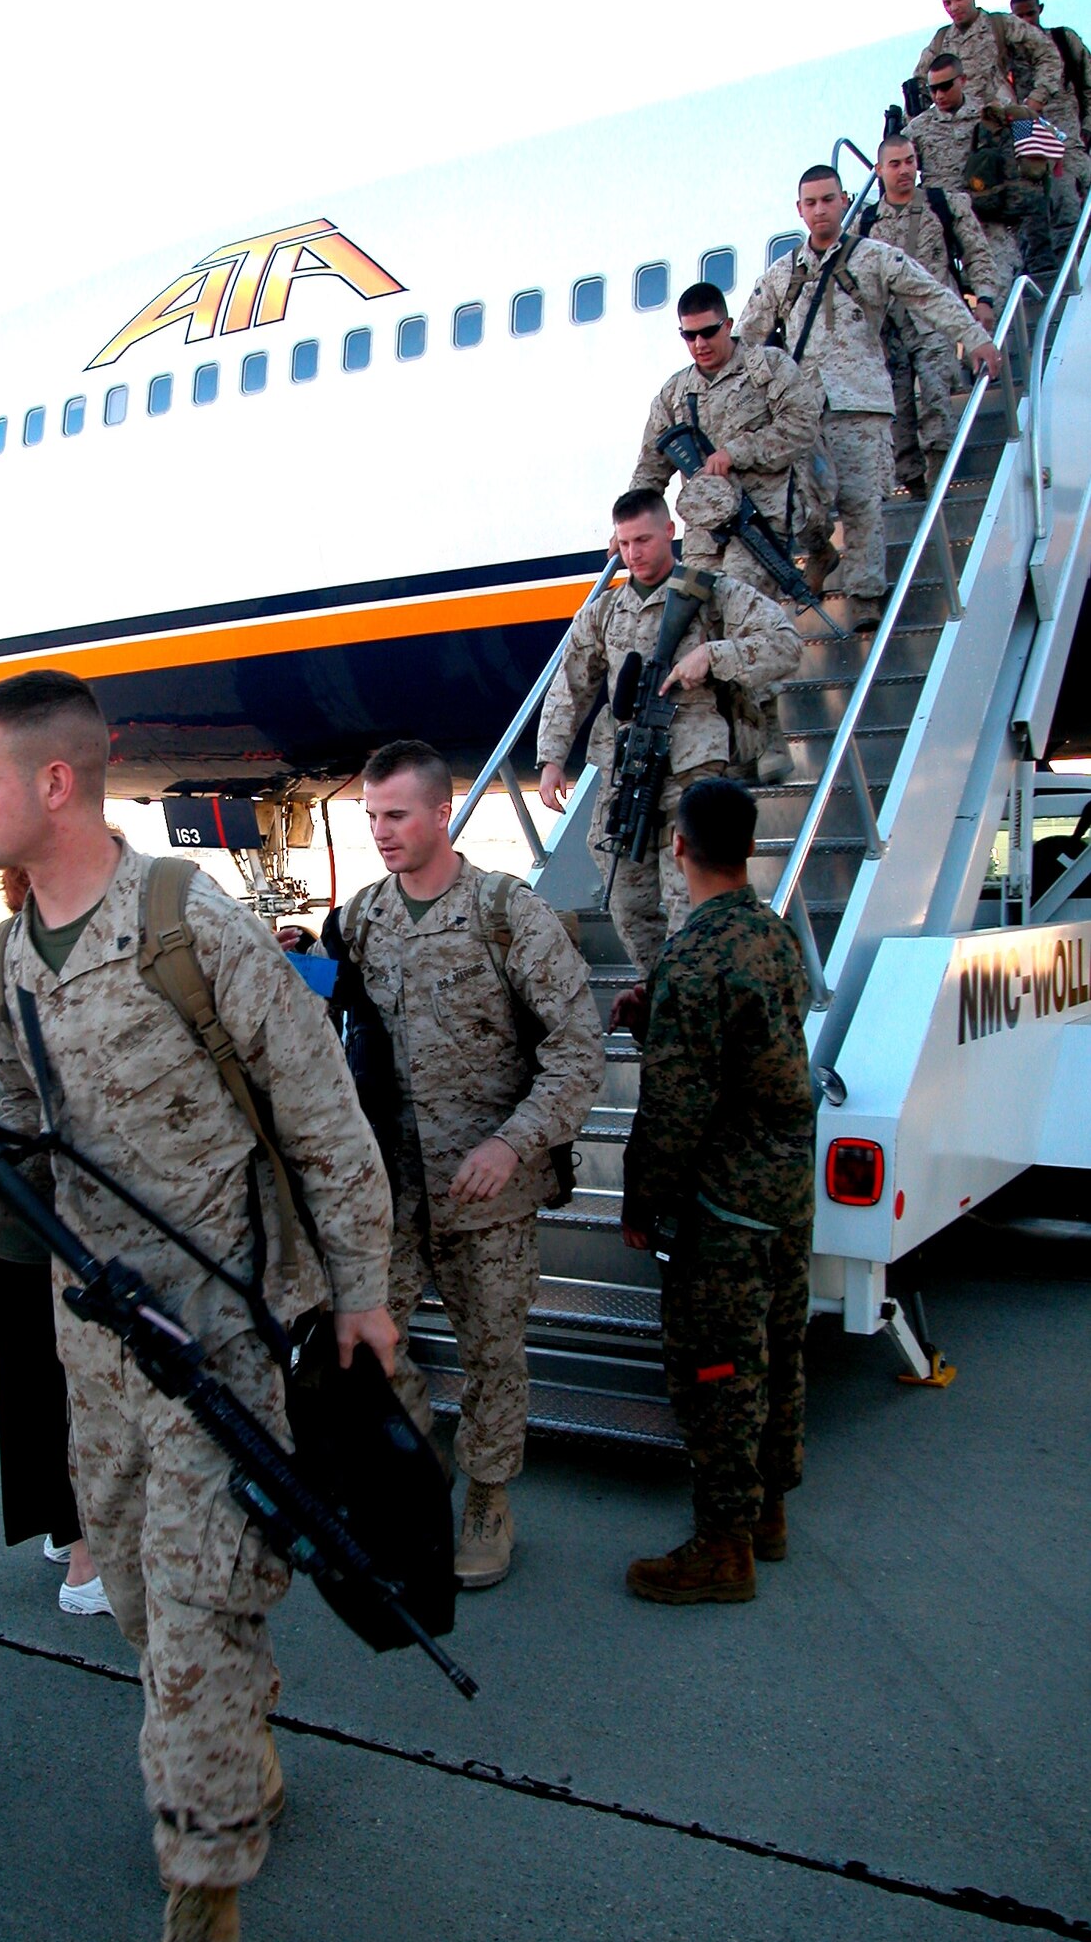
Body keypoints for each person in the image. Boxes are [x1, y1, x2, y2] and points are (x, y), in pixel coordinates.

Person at [0, 670, 394, 1942]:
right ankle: (234, 1756)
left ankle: (203, 1901)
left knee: (199, 1617)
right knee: (142, 1601)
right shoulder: (8, 951)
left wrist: (363, 1294)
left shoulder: (189, 922)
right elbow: (21, 1132)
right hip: (98, 1350)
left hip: (227, 1340)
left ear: (54, 782)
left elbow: (325, 1117)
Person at [338, 740, 606, 1589]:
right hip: (394, 1188)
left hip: (488, 1190)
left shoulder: (505, 913)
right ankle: (421, 1464)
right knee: (369, 1347)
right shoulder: (363, 919)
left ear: (441, 813)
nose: (381, 832)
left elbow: (578, 1051)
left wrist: (512, 1141)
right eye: (371, 816)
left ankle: (488, 1499)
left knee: (492, 1353)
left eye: (397, 815)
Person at [616, 778, 814, 1605]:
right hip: (784, 1193)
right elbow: (750, 1047)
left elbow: (677, 1103)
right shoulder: (772, 935)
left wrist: (640, 1199)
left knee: (718, 1369)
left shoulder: (694, 956)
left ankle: (723, 1547)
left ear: (678, 849)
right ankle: (767, 1512)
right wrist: (655, 1014)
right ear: (750, 848)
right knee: (777, 1350)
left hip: (724, 1207)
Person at [536, 488, 803, 977]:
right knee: (626, 901)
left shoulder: (712, 594)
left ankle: (691, 989)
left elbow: (785, 643)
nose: (633, 554)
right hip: (628, 773)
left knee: (689, 900)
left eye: (643, 540)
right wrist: (552, 757)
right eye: (624, 544)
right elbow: (570, 682)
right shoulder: (604, 611)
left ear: (669, 532)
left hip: (691, 767)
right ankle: (661, 991)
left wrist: (713, 656)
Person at [737, 165, 1001, 633]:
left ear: (844, 201)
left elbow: (929, 295)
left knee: (861, 504)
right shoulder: (783, 275)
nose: (820, 210)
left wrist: (975, 336)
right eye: (811, 202)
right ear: (799, 210)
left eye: (828, 199)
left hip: (861, 403)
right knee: (797, 504)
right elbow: (745, 342)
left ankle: (865, 596)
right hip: (802, 413)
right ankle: (820, 551)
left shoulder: (874, 258)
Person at [628, 281, 824, 782]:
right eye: (688, 336)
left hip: (757, 525)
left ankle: (771, 738)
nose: (699, 344)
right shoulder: (675, 394)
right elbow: (651, 466)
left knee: (745, 627)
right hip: (702, 533)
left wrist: (738, 452)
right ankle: (738, 747)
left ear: (729, 325)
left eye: (708, 332)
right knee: (702, 632)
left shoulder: (767, 368)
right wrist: (628, 525)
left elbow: (802, 424)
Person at [0, 865, 109, 1617]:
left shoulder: (4, 942)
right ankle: (90, 1558)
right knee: (81, 1391)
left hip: (17, 1202)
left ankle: (65, 1533)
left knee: (32, 1381)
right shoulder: (78, 945)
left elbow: (12, 1091)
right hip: (64, 1213)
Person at [866, 133, 1006, 496]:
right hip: (890, 331)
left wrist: (985, 298)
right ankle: (915, 486)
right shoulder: (865, 224)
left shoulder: (944, 205)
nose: (904, 170)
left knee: (935, 397)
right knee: (897, 412)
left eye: (909, 161)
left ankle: (939, 482)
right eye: (895, 164)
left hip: (936, 322)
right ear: (879, 170)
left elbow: (977, 252)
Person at [906, 54, 1031, 290]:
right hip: (938, 220)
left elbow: (1025, 151)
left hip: (985, 217)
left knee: (996, 284)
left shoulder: (989, 115)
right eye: (933, 89)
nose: (938, 95)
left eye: (945, 86)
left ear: (962, 80)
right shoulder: (917, 129)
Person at [1010, 0, 1091, 224]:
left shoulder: (1063, 40)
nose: (1026, 21)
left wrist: (1088, 125)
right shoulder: (1008, 58)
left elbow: (1088, 84)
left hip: (1074, 141)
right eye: (1020, 16)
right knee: (1063, 213)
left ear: (1040, 10)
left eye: (1030, 13)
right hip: (1038, 149)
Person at [917, 0, 1063, 112]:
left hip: (998, 121)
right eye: (947, 3)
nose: (954, 7)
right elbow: (920, 82)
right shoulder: (941, 39)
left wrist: (1038, 96)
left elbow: (1048, 53)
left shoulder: (1001, 24)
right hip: (956, 126)